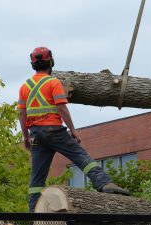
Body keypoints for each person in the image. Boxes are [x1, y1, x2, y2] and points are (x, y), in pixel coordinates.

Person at [17, 47, 130, 212]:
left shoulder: (24, 86)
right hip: (53, 131)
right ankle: (103, 183)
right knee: (80, 156)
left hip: (35, 135)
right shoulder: (53, 82)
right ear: (51, 62)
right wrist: (73, 130)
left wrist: (26, 136)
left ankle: (34, 210)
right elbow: (61, 109)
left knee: (37, 177)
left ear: (33, 65)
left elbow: (21, 112)